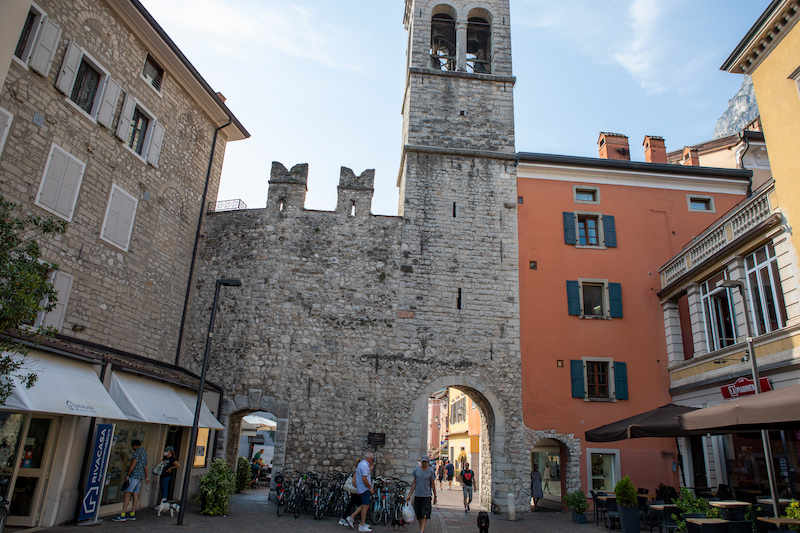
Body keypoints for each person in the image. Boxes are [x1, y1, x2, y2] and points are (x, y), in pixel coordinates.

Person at [112, 440, 149, 521]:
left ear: (135, 446)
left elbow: (133, 463)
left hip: (134, 476)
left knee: (127, 494)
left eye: (133, 446)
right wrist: (147, 477)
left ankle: (123, 514)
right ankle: (132, 513)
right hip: (140, 477)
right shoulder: (144, 453)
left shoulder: (137, 452)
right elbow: (145, 467)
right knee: (135, 495)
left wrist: (128, 474)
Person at [407, 454, 437, 533]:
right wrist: (410, 494)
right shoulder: (416, 470)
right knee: (419, 514)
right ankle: (422, 530)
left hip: (426, 496)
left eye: (425, 462)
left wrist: (435, 496)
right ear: (420, 461)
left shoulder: (430, 471)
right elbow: (414, 483)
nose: (424, 463)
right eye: (422, 461)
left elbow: (433, 484)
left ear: (427, 462)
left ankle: (421, 531)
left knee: (425, 514)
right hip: (418, 495)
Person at [346, 452, 374, 532]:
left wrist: (370, 470)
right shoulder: (365, 465)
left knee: (364, 505)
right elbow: (364, 478)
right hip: (364, 488)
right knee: (365, 506)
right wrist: (370, 488)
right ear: (369, 459)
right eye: (372, 459)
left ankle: (352, 517)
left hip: (361, 488)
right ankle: (361, 525)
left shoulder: (361, 464)